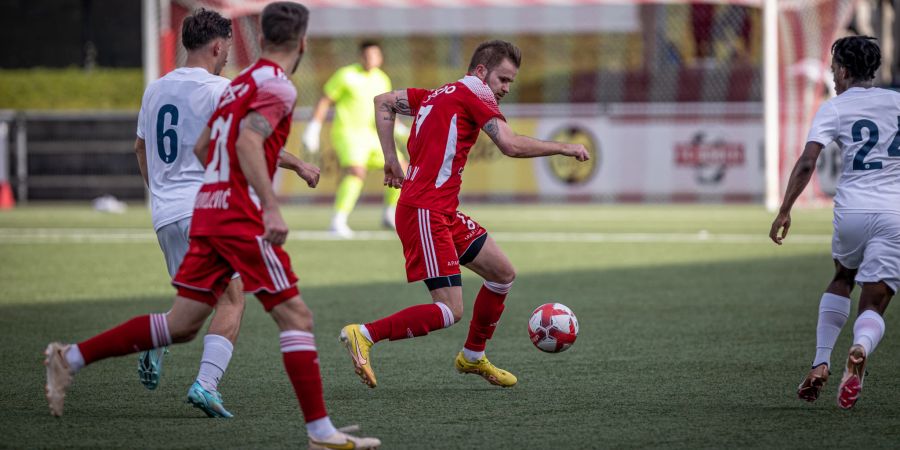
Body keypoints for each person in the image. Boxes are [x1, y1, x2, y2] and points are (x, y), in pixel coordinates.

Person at [45, 3, 380, 447]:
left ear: (259, 40)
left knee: (183, 323)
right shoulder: (266, 86)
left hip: (186, 209)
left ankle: (70, 357)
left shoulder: (222, 85)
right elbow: (242, 140)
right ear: (301, 44)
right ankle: (319, 431)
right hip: (227, 215)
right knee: (293, 314)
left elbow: (196, 145)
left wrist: (198, 187)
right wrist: (269, 204)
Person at [338, 40, 589, 389]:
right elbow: (510, 144)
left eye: (510, 83)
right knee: (449, 310)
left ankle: (472, 356)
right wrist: (564, 146)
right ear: (481, 71)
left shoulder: (437, 93)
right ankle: (363, 334)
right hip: (424, 211)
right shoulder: (474, 92)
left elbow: (383, 102)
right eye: (502, 79)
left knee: (502, 274)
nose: (505, 88)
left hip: (441, 210)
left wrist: (392, 159)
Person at [770, 35, 900, 410]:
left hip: (852, 210)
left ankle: (821, 361)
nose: (831, 77)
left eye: (832, 70)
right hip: (894, 213)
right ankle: (860, 348)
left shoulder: (835, 107)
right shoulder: (896, 103)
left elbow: (809, 161)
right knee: (874, 304)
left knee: (843, 278)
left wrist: (785, 209)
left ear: (843, 70)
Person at [133, 7, 248, 418]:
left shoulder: (154, 89)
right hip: (206, 210)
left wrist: (162, 196)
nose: (229, 56)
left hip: (166, 215)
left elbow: (140, 149)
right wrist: (301, 166)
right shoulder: (221, 89)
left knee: (196, 306)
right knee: (233, 300)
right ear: (217, 46)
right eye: (228, 48)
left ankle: (154, 337)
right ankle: (205, 384)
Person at [303, 41, 407, 238]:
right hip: (348, 133)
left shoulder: (382, 79)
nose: (371, 59)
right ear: (361, 57)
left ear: (380, 58)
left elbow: (386, 108)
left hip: (372, 135)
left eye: (375, 55)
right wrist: (313, 128)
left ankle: (389, 214)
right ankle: (338, 220)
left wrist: (398, 127)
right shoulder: (346, 75)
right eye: (367, 56)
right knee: (356, 171)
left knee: (401, 168)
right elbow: (325, 99)